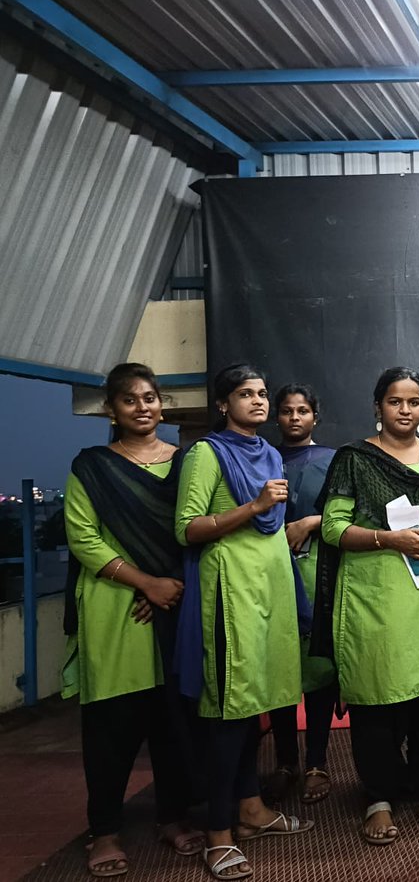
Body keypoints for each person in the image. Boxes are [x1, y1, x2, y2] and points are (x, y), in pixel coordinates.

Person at [312, 367, 419, 843]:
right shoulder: (355, 459)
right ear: (378, 407)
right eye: (396, 401)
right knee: (379, 693)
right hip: (376, 594)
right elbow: (332, 528)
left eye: (414, 402)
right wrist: (389, 539)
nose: (406, 410)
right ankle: (378, 798)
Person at [175, 363, 313, 881]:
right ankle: (218, 833)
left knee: (257, 705)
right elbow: (188, 528)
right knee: (229, 711)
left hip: (270, 591)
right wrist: (253, 505)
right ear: (222, 404)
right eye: (244, 394)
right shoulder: (206, 454)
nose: (257, 401)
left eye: (261, 393)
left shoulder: (270, 453)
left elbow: (274, 528)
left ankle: (252, 810)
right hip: (229, 594)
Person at [64, 363, 199, 878]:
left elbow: (195, 528)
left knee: (173, 721)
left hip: (177, 604)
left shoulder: (187, 464)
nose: (142, 407)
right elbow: (83, 537)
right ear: (111, 410)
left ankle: (172, 816)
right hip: (115, 606)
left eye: (150, 398)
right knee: (111, 727)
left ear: (162, 404)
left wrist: (171, 583)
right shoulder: (93, 467)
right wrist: (146, 583)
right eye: (130, 400)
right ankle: (104, 831)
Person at [263, 384, 339, 805]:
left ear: (315, 416)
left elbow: (352, 511)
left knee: (318, 669)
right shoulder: (263, 458)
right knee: (280, 669)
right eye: (287, 411)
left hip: (317, 575)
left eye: (303, 411)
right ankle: (286, 762)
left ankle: (316, 762)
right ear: (277, 416)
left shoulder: (332, 460)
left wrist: (311, 522)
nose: (295, 418)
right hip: (270, 576)